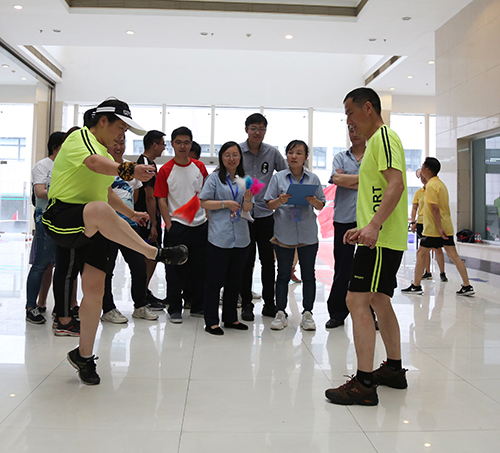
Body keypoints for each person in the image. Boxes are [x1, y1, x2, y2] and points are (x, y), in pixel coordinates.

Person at [42, 98, 188, 385]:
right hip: (62, 215)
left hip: (92, 223)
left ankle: (84, 356)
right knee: (97, 211)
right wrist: (130, 170)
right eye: (120, 127)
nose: (122, 135)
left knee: (94, 290)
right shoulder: (80, 139)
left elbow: (106, 192)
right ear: (104, 121)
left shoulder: (105, 151)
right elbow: (96, 165)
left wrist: (132, 212)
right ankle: (154, 253)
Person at [325, 87, 408, 406]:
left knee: (355, 300)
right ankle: (394, 370)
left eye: (350, 112)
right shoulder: (377, 142)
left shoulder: (384, 138)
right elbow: (378, 190)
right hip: (381, 235)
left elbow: (396, 184)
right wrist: (364, 227)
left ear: (368, 108)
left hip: (382, 238)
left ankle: (363, 384)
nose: (349, 120)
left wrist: (373, 226)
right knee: (378, 300)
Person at [265, 140, 325, 330]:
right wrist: (280, 200)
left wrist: (314, 201)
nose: (294, 156)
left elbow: (321, 205)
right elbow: (269, 204)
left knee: (309, 275)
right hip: (284, 231)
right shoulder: (278, 178)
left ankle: (308, 314)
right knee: (283, 274)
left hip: (307, 232)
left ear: (306, 157)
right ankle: (280, 312)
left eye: (299, 153)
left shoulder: (313, 178)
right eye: (290, 152)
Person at [155, 126, 209, 323]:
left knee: (199, 268)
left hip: (200, 225)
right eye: (179, 142)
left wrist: (208, 220)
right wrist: (168, 224)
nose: (183, 146)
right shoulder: (166, 170)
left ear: (191, 144)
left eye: (186, 142)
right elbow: (161, 199)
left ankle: (198, 306)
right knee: (174, 270)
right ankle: (175, 308)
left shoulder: (199, 168)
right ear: (172, 144)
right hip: (177, 226)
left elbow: (205, 196)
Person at [102, 137, 159, 323]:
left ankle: (140, 306)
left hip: (129, 226)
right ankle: (108, 309)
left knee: (139, 265)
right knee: (106, 270)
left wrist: (133, 215)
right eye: (115, 142)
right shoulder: (102, 166)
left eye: (122, 143)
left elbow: (132, 197)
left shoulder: (131, 168)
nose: (118, 147)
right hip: (107, 225)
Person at [199, 141, 253, 335]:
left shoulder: (245, 179)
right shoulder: (214, 179)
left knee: (235, 280)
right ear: (222, 158)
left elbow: (248, 209)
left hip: (241, 237)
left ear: (240, 158)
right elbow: (204, 202)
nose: (232, 159)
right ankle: (211, 321)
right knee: (214, 280)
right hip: (219, 237)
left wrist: (247, 200)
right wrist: (225, 203)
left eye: (235, 155)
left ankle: (230, 318)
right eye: (227, 155)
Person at [402, 157, 474, 296]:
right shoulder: (440, 184)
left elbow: (435, 208)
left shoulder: (431, 186)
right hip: (445, 227)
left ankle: (416, 286)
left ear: (427, 169)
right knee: (454, 256)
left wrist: (439, 229)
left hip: (434, 229)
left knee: (421, 253)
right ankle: (467, 285)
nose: (421, 168)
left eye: (423, 166)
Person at [240, 113, 287, 321]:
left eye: (261, 128)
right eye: (253, 128)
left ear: (265, 131)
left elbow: (286, 175)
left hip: (267, 215)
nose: (257, 132)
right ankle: (246, 305)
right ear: (246, 129)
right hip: (244, 215)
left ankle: (270, 304)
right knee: (245, 261)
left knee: (268, 262)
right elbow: (223, 174)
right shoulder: (237, 152)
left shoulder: (272, 153)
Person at [325, 127, 369, 329]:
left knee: (368, 269)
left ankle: (370, 313)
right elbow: (337, 180)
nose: (355, 133)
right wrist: (365, 180)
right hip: (343, 219)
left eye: (357, 129)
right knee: (342, 268)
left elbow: (382, 183)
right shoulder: (340, 157)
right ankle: (337, 312)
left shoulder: (374, 156)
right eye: (351, 130)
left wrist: (347, 180)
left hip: (368, 221)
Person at [25, 132, 65, 324]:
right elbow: (40, 192)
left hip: (65, 223)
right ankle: (31, 307)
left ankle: (59, 306)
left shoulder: (67, 166)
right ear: (57, 147)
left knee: (61, 267)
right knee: (41, 264)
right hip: (45, 222)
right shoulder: (42, 166)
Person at [135, 130, 166, 309]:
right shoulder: (145, 164)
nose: (164, 147)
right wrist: (154, 224)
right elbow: (149, 197)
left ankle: (144, 291)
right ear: (154, 145)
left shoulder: (150, 163)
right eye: (163, 143)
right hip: (145, 219)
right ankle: (142, 294)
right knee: (150, 255)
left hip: (147, 218)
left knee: (152, 256)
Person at [409, 172, 447, 282]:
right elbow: (415, 208)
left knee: (437, 248)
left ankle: (442, 272)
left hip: (433, 222)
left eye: (424, 177)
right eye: (421, 177)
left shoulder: (435, 188)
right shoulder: (418, 192)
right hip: (421, 222)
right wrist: (413, 222)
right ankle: (427, 272)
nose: (423, 179)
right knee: (423, 249)